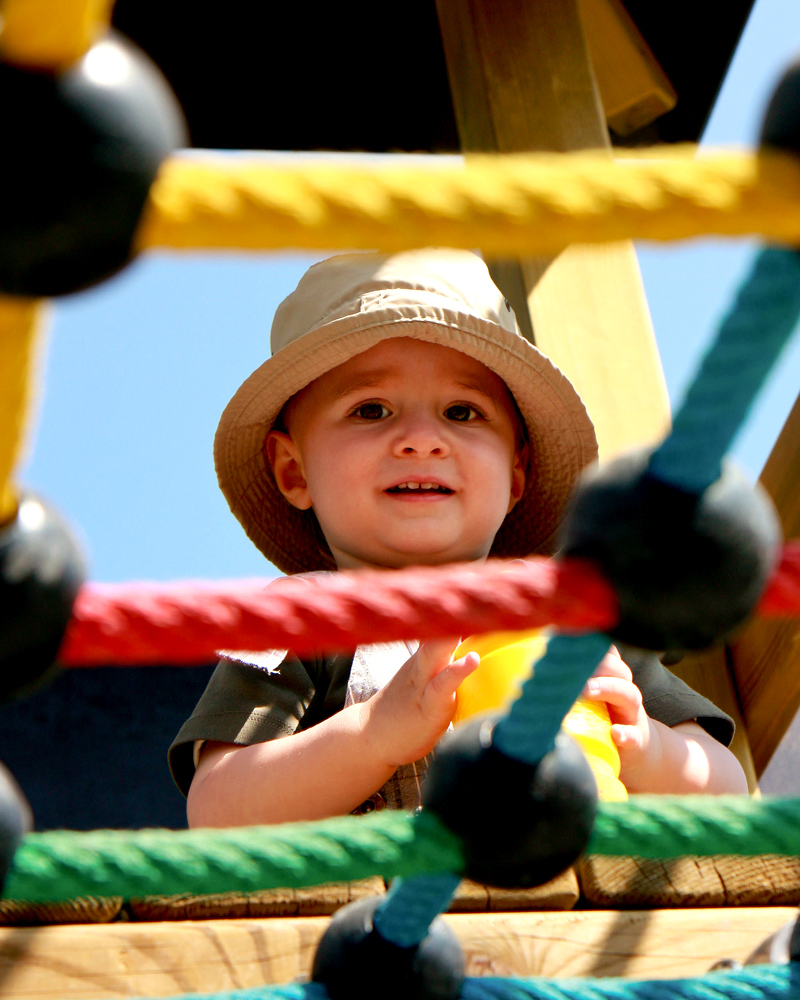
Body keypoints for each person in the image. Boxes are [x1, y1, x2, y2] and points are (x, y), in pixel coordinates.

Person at [169, 249, 748, 828]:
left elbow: (726, 786)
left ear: (516, 472)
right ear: (294, 472)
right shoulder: (299, 619)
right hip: (379, 909)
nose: (422, 439)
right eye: (371, 409)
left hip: (580, 899)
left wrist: (645, 746)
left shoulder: (564, 612)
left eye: (463, 412)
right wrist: (374, 735)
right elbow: (217, 808)